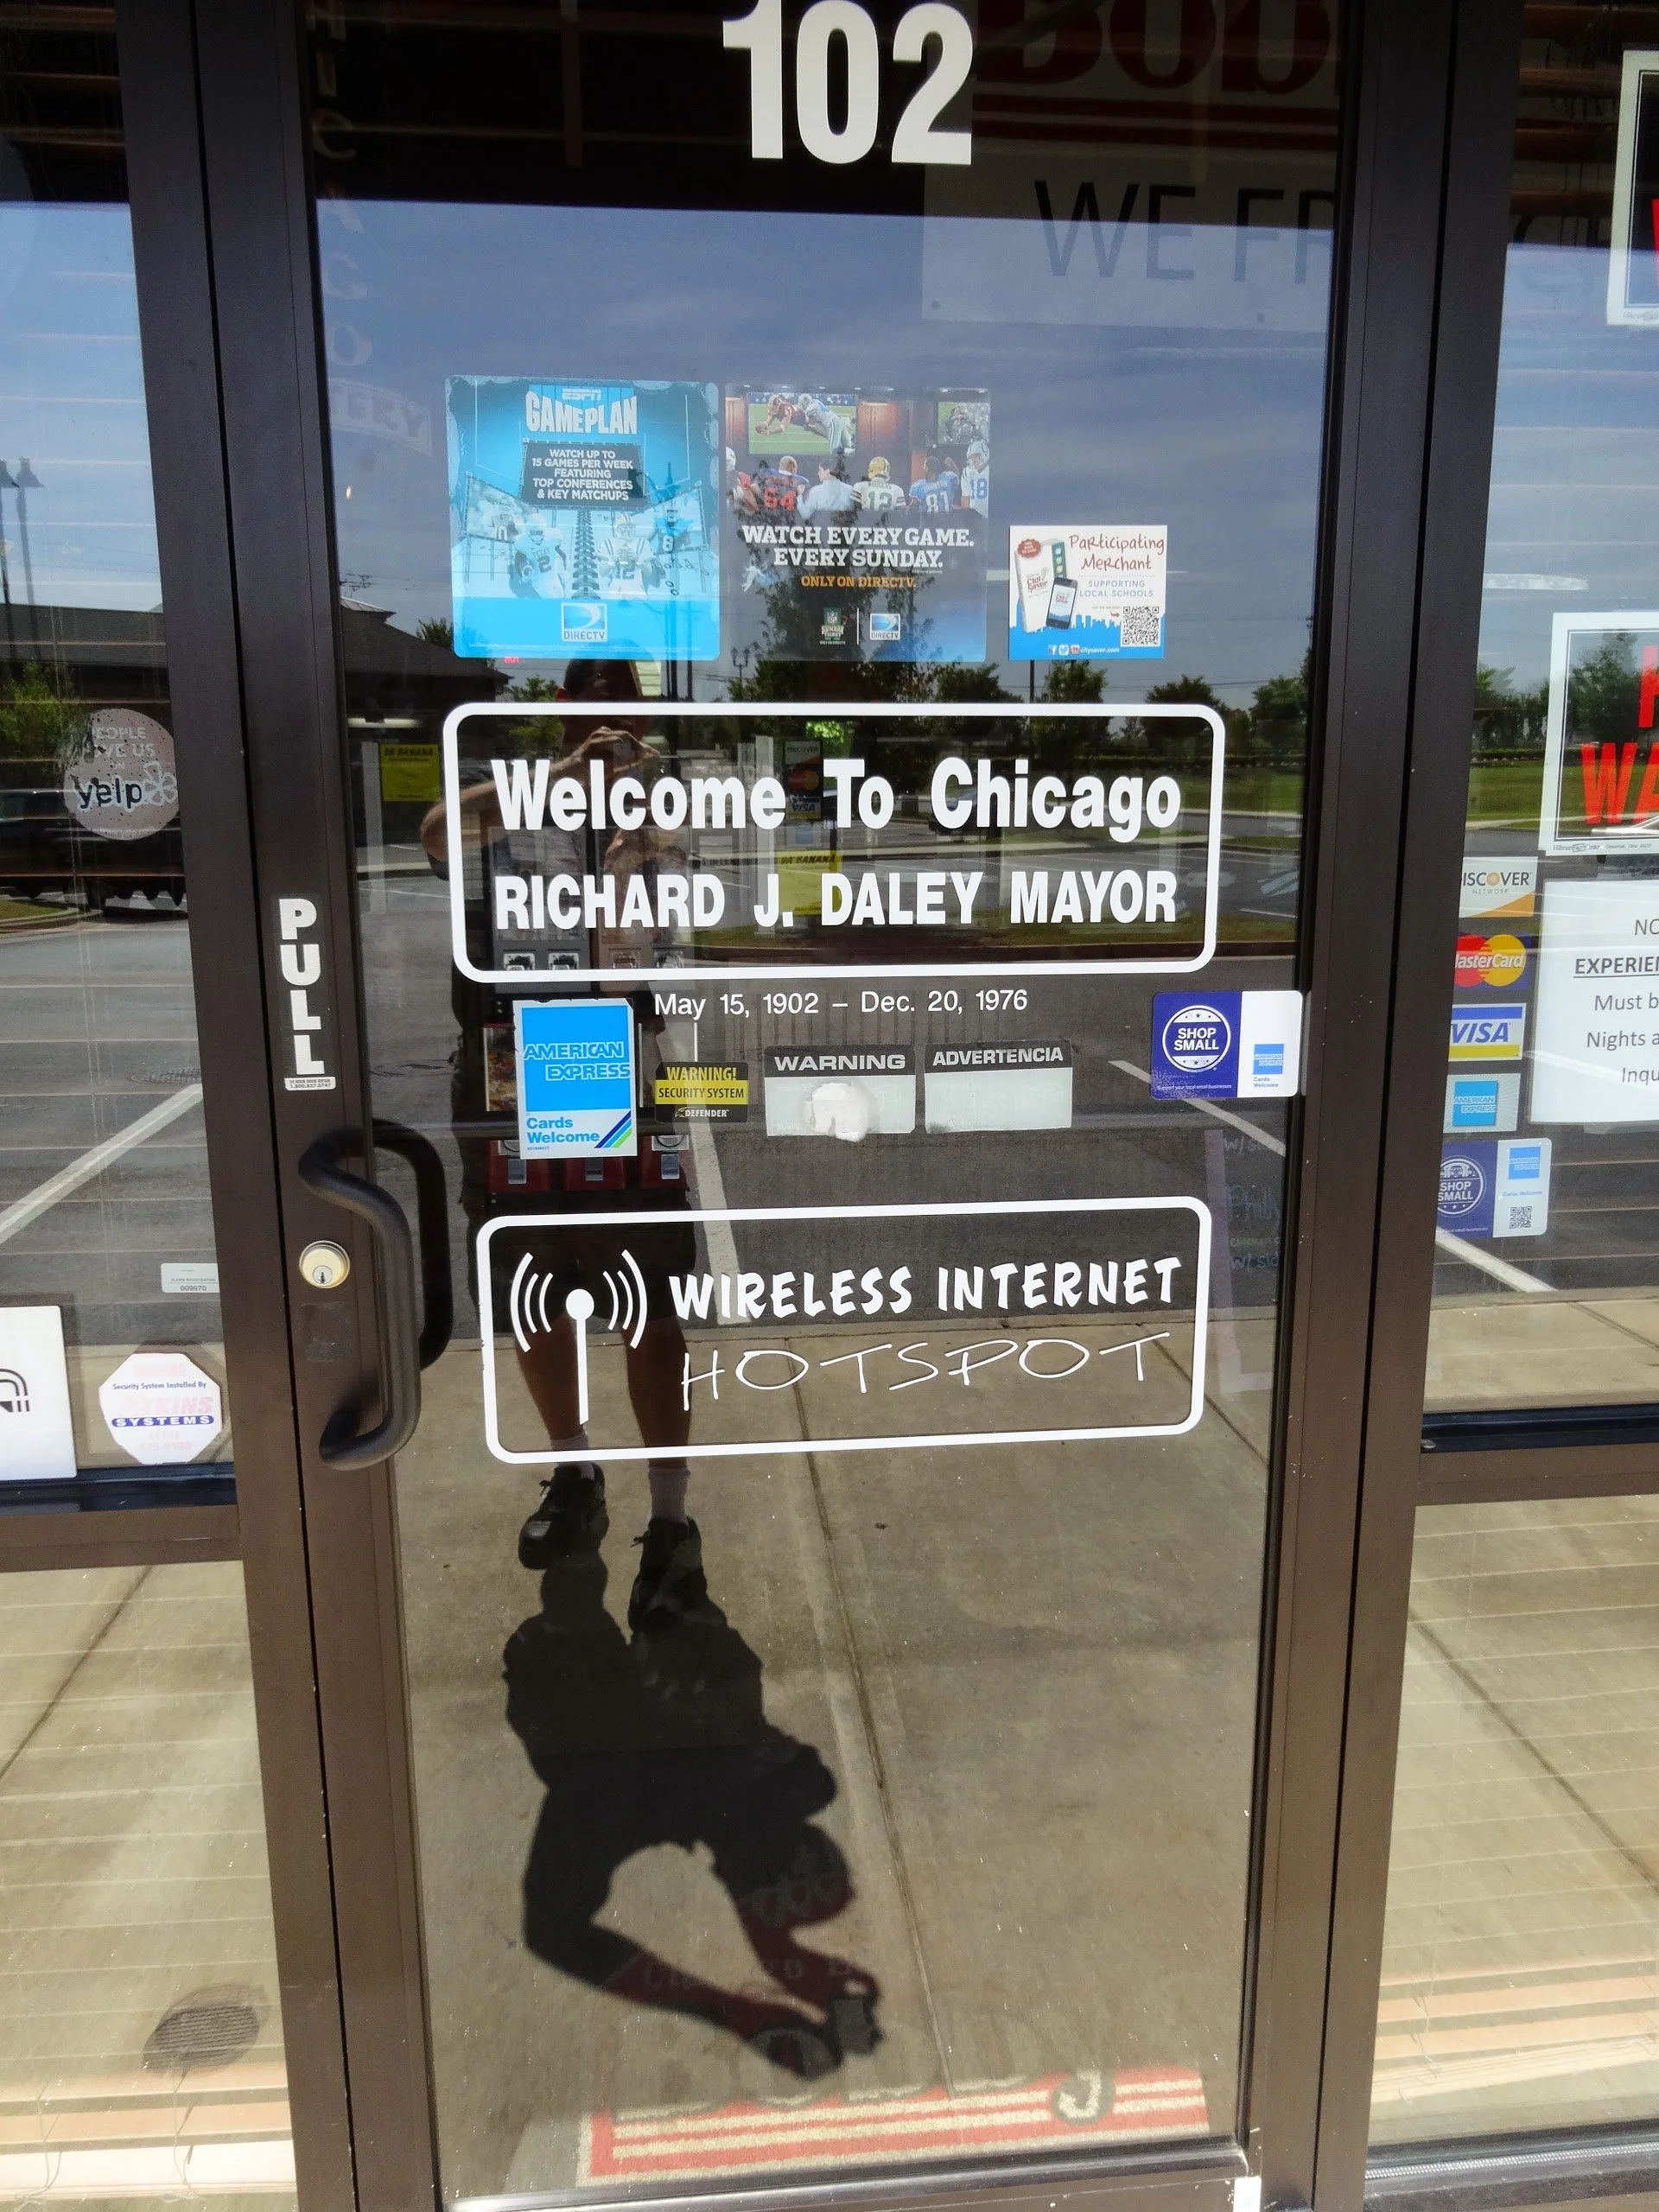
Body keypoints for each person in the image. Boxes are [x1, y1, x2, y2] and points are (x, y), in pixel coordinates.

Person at [421, 658, 705, 1625]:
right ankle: (574, 1467)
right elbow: (431, 836)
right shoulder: (511, 794)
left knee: (650, 1294)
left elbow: (652, 934)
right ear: (561, 713)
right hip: (508, 1062)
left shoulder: (658, 812)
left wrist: (638, 818)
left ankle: (671, 1517)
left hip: (612, 1054)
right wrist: (558, 784)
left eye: (625, 708)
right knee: (532, 1290)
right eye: (591, 705)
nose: (609, 725)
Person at [799, 458, 857, 522]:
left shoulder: (815, 492)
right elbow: (855, 515)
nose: (818, 473)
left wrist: (799, 496)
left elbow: (805, 515)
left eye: (820, 470)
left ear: (827, 471)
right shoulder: (850, 490)